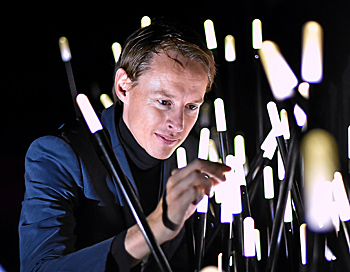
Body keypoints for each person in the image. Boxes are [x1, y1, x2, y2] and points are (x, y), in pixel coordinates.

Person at [19, 21, 230, 271]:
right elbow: (38, 268)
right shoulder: (58, 156)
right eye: (164, 101)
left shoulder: (193, 154)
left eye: (191, 106)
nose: (178, 124)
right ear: (123, 86)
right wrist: (154, 229)